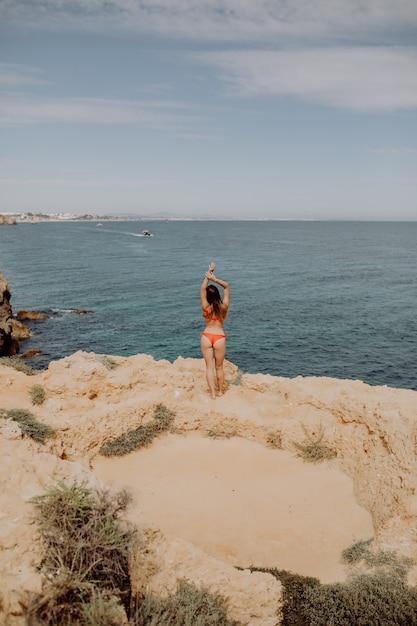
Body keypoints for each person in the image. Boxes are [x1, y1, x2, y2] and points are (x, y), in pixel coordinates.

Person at [200, 262, 230, 399]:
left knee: (209, 368)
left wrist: (208, 274)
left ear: (208, 297)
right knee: (219, 367)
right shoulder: (224, 307)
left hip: (206, 336)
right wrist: (215, 279)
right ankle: (219, 392)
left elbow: (202, 289)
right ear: (217, 295)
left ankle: (212, 394)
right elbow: (227, 286)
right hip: (219, 337)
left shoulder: (206, 307)